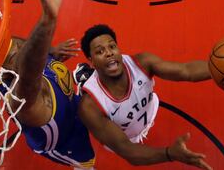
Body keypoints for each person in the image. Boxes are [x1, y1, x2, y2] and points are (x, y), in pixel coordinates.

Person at [77, 24, 213, 170]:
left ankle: (86, 74)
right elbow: (128, 150)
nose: (109, 53)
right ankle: (85, 77)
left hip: (147, 112)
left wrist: (218, 69)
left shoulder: (142, 63)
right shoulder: (90, 106)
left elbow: (186, 71)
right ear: (91, 59)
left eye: (112, 46)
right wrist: (170, 154)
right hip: (125, 136)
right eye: (100, 51)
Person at [0, 0, 95, 169]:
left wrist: (50, 51)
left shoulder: (28, 56)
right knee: (87, 164)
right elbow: (28, 72)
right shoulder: (22, 100)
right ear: (6, 73)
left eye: (20, 44)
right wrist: (48, 18)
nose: (21, 48)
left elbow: (27, 49)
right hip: (65, 140)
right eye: (15, 54)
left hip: (72, 106)